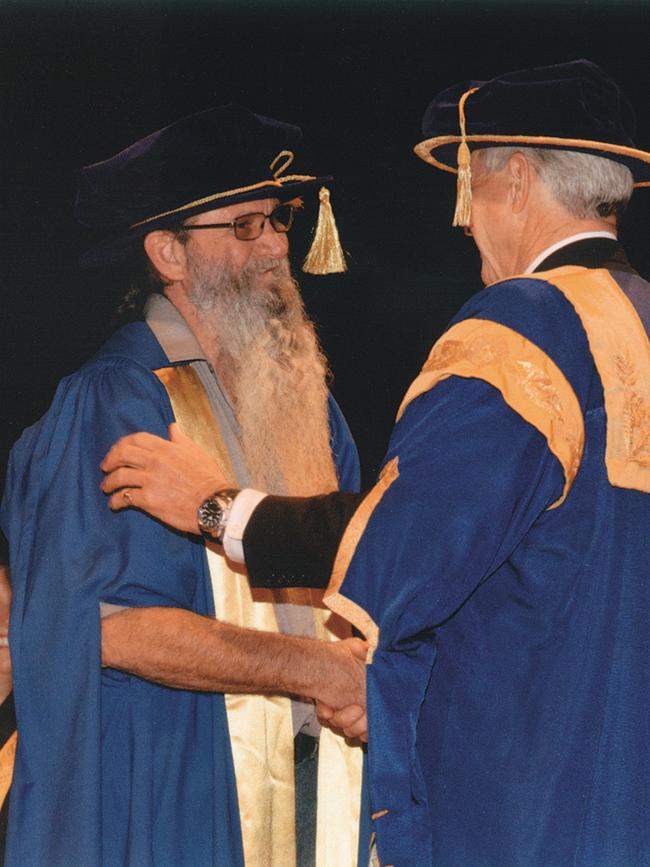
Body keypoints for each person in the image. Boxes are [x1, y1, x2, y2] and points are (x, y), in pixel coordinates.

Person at [102, 61, 650, 866]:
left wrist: (219, 507)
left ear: (520, 180)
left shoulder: (524, 330)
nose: (463, 224)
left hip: (527, 781)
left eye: (469, 187)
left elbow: (409, 542)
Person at [0, 105, 369, 867]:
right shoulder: (116, 402)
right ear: (168, 252)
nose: (273, 247)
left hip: (323, 779)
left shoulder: (309, 402)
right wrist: (315, 669)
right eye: (244, 227)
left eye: (278, 221)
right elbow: (107, 626)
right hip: (177, 779)